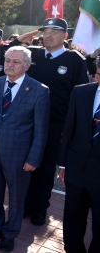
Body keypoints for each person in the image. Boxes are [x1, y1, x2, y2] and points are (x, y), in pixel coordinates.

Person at [0, 46, 50, 253]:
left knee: (17, 197)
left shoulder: (39, 91)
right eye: (7, 60)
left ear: (27, 65)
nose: (9, 64)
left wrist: (33, 159)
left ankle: (10, 233)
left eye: (16, 62)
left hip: (19, 155)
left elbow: (41, 130)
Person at [22, 18, 88, 226]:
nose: (48, 35)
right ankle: (26, 204)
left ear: (65, 36)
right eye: (45, 31)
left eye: (54, 31)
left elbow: (81, 98)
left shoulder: (75, 60)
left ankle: (41, 208)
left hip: (56, 125)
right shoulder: (32, 55)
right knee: (25, 166)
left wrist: (70, 129)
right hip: (28, 122)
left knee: (46, 169)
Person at [58, 59, 100, 252]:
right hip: (76, 168)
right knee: (73, 217)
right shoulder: (81, 92)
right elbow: (69, 129)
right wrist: (63, 164)